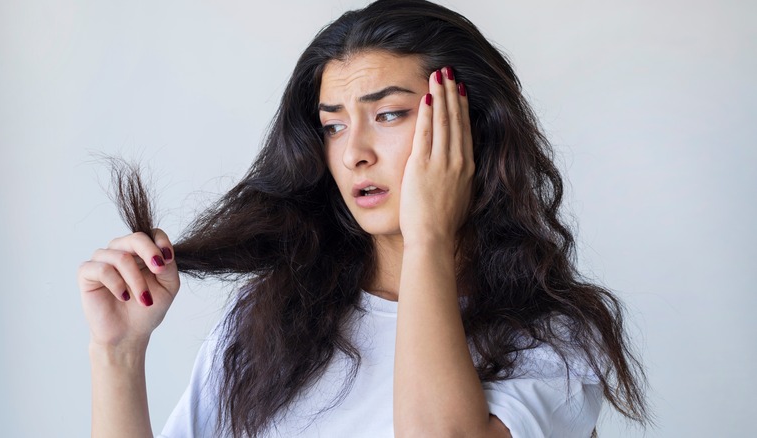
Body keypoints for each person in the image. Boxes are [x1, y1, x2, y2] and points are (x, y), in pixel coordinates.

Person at [78, 1, 649, 436]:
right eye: (333, 125)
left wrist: (428, 237)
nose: (354, 153)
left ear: (475, 129)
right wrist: (119, 354)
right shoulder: (269, 318)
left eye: (390, 113)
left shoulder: (552, 339)